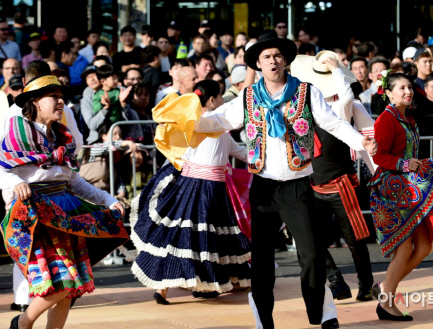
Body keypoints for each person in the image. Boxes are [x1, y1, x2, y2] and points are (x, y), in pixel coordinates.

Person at [192, 32, 378, 329]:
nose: (273, 60)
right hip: (263, 187)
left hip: (298, 186)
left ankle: (325, 315)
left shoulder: (306, 91)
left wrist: (360, 142)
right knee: (263, 261)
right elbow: (220, 120)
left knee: (313, 255)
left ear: (286, 61)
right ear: (259, 64)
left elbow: (332, 122)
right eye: (266, 57)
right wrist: (185, 122)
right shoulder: (248, 97)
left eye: (277, 55)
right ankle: (263, 322)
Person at [1, 74, 128, 329]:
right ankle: (22, 323)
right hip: (38, 217)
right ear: (36, 101)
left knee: (69, 292)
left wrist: (108, 199)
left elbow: (74, 182)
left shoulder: (62, 136)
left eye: (61, 97)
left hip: (65, 214)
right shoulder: (17, 130)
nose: (61, 103)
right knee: (62, 284)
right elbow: (2, 167)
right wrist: (15, 184)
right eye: (54, 97)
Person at [130, 79, 251, 304]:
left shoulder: (205, 124)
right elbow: (240, 108)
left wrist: (259, 157)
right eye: (220, 96)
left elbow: (237, 150)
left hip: (203, 187)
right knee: (198, 237)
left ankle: (181, 286)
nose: (222, 101)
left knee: (187, 235)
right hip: (202, 187)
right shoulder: (206, 122)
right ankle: (179, 286)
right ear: (213, 100)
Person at [367, 72, 433, 321]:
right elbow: (378, 157)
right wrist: (404, 164)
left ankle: (385, 289)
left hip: (410, 191)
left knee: (422, 247)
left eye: (410, 87)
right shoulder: (386, 120)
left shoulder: (407, 115)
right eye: (401, 88)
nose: (408, 92)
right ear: (388, 93)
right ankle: (387, 300)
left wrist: (411, 165)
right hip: (392, 191)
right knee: (404, 249)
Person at [291, 51, 376, 302]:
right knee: (308, 239)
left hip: (341, 186)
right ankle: (336, 281)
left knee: (355, 240)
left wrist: (336, 69)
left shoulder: (339, 109)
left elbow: (347, 96)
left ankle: (366, 284)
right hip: (314, 186)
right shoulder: (301, 114)